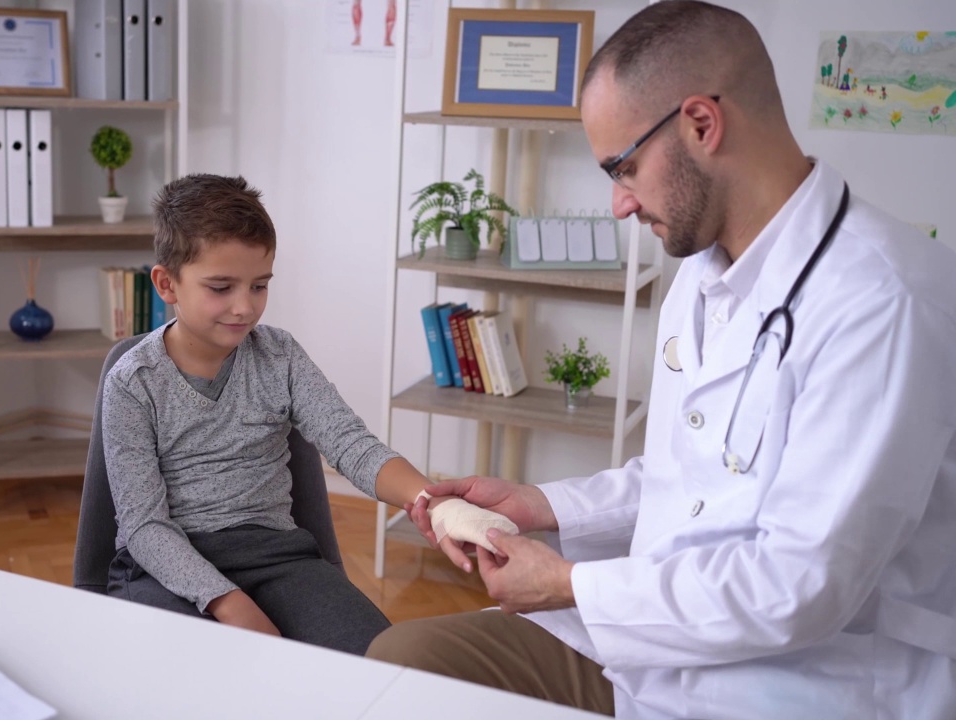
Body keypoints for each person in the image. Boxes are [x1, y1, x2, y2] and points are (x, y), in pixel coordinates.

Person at [368, 2, 956, 718]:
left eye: (624, 166)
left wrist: (570, 586)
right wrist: (544, 505)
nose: (617, 204)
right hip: (651, 650)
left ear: (702, 124)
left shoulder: (883, 302)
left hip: (796, 683)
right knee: (400, 668)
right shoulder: (705, 273)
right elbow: (691, 480)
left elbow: (800, 587)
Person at [87, 174, 504, 656]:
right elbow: (144, 526)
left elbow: (352, 445)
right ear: (167, 284)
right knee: (190, 674)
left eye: (259, 286)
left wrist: (434, 504)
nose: (245, 307)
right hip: (163, 566)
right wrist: (227, 601)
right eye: (221, 287)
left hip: (276, 557)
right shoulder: (133, 381)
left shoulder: (280, 356)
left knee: (378, 662)